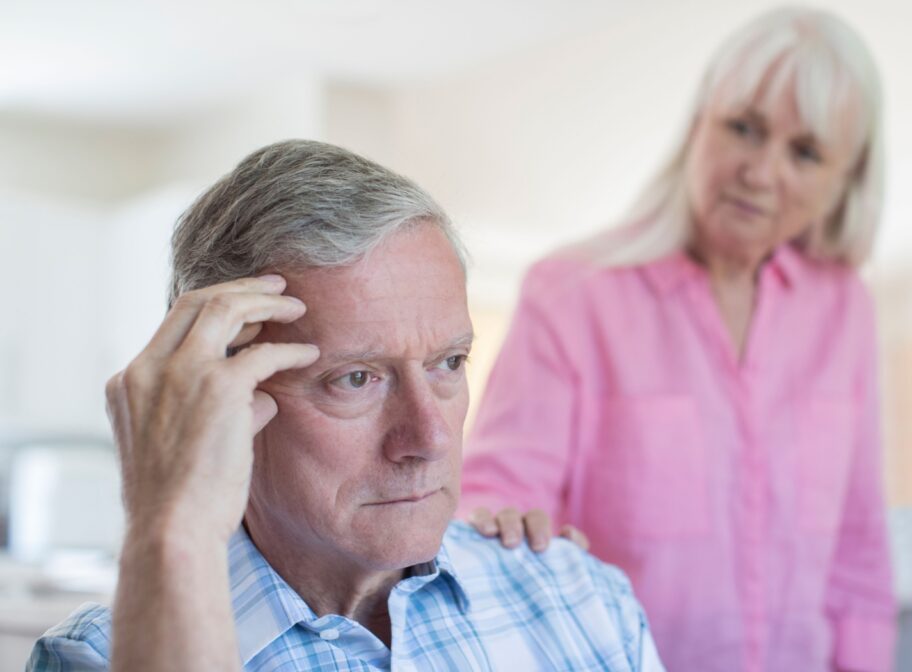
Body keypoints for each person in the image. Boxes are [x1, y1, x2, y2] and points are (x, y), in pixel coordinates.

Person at [27, 140, 663, 672]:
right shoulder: (98, 658)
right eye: (356, 379)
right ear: (218, 398)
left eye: (448, 363)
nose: (430, 438)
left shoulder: (580, 599)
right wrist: (171, 526)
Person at [461, 7, 896, 672]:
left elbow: (858, 552)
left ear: (844, 182)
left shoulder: (846, 310)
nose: (760, 172)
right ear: (700, 123)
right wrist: (496, 522)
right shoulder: (569, 294)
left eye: (805, 153)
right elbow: (498, 505)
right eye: (744, 128)